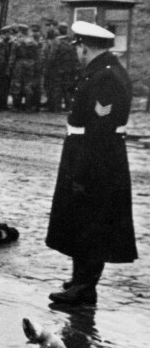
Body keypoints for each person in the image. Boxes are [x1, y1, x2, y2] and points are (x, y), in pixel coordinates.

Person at [46, 21, 136, 306]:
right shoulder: (99, 71)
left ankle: (85, 287)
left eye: (78, 47)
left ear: (84, 47)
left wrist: (83, 172)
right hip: (87, 152)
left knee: (92, 222)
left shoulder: (106, 77)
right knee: (80, 218)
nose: (77, 52)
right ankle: (79, 280)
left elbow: (100, 128)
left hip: (97, 157)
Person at [46, 22, 79, 113]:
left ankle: (57, 108)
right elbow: (75, 55)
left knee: (57, 88)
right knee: (67, 88)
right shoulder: (71, 40)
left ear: (59, 29)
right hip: (69, 68)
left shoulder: (57, 41)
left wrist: (48, 67)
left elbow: (52, 56)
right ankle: (69, 107)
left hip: (58, 68)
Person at [9, 23, 39, 111]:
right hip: (31, 64)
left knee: (17, 84)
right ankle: (28, 106)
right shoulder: (33, 41)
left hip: (19, 63)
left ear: (20, 31)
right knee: (28, 84)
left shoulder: (17, 41)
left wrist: (10, 67)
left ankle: (16, 106)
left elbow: (13, 55)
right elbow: (37, 55)